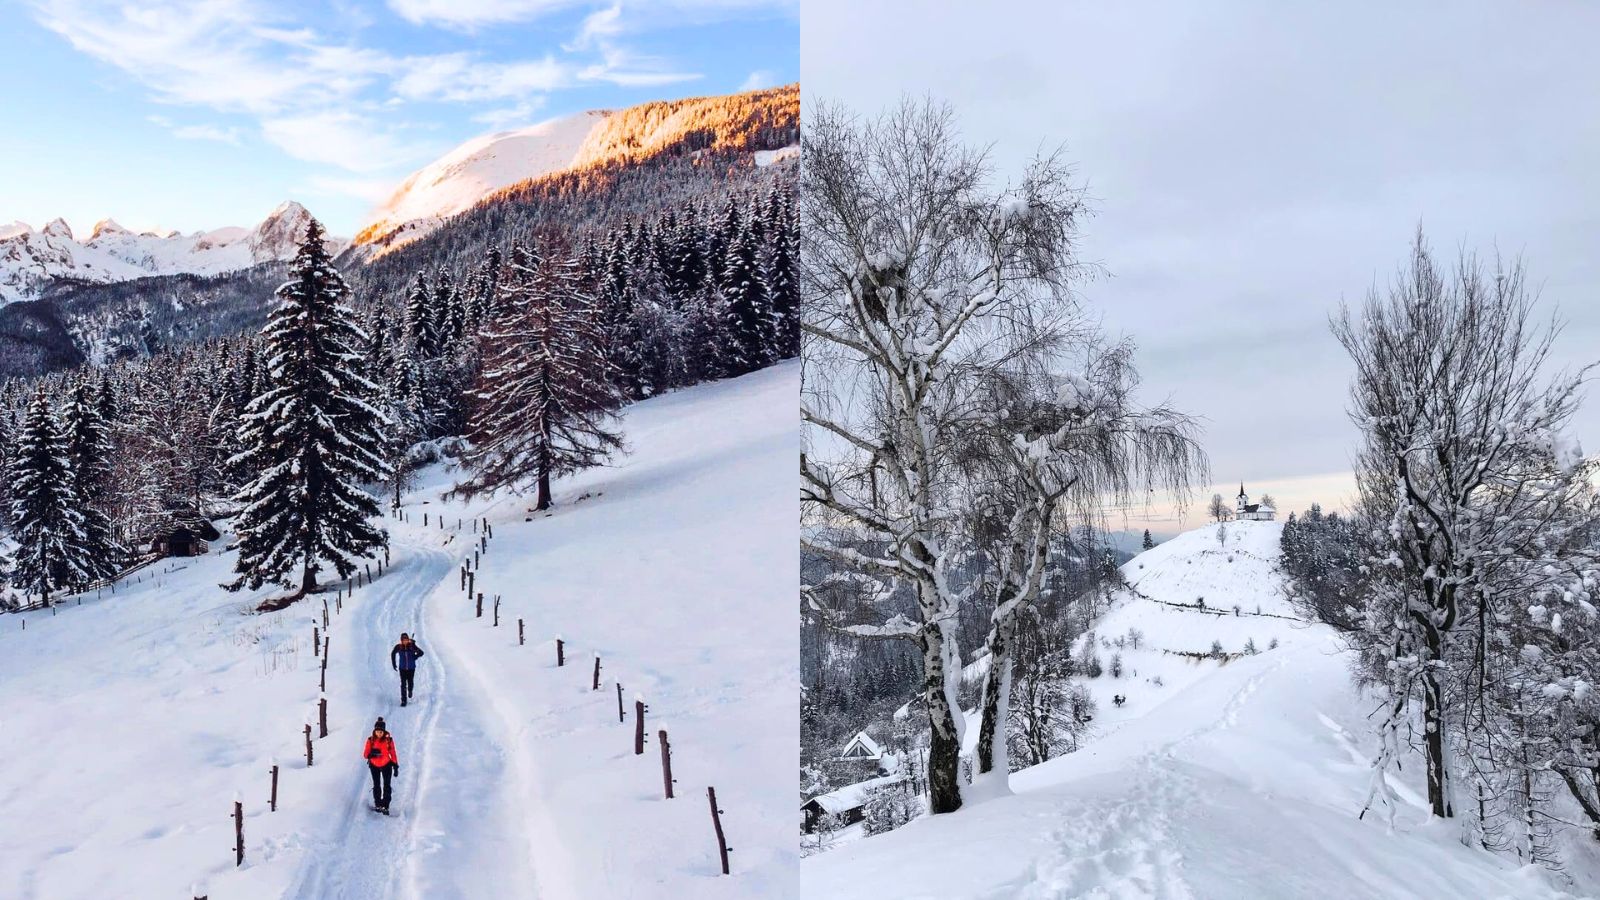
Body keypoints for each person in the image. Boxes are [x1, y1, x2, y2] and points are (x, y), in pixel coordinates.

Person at [363, 717, 398, 814]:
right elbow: (365, 754)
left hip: (387, 765)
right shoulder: (370, 740)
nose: (379, 733)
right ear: (374, 731)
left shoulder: (389, 740)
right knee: (376, 784)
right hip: (374, 765)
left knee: (387, 785)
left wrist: (395, 765)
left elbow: (393, 753)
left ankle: (385, 806)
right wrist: (371, 754)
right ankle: (378, 804)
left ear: (384, 731)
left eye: (381, 732)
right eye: (377, 731)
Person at [390, 633, 425, 706]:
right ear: (401, 640)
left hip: (411, 668)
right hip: (402, 669)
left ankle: (410, 690)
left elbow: (421, 653)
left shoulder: (412, 646)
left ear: (408, 640)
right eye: (403, 640)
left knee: (410, 682)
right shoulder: (399, 647)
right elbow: (393, 653)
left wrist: (415, 656)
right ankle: (403, 701)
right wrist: (394, 664)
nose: (405, 641)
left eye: (406, 640)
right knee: (403, 684)